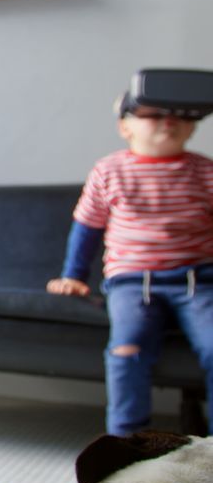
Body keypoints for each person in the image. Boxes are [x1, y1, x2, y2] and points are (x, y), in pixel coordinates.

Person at [47, 87, 213, 437]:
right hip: (132, 281)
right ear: (126, 127)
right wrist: (73, 275)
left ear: (193, 127)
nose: (168, 121)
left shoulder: (204, 171)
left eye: (180, 115)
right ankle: (125, 441)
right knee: (127, 347)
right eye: (152, 113)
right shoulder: (109, 170)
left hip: (198, 280)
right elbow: (87, 226)